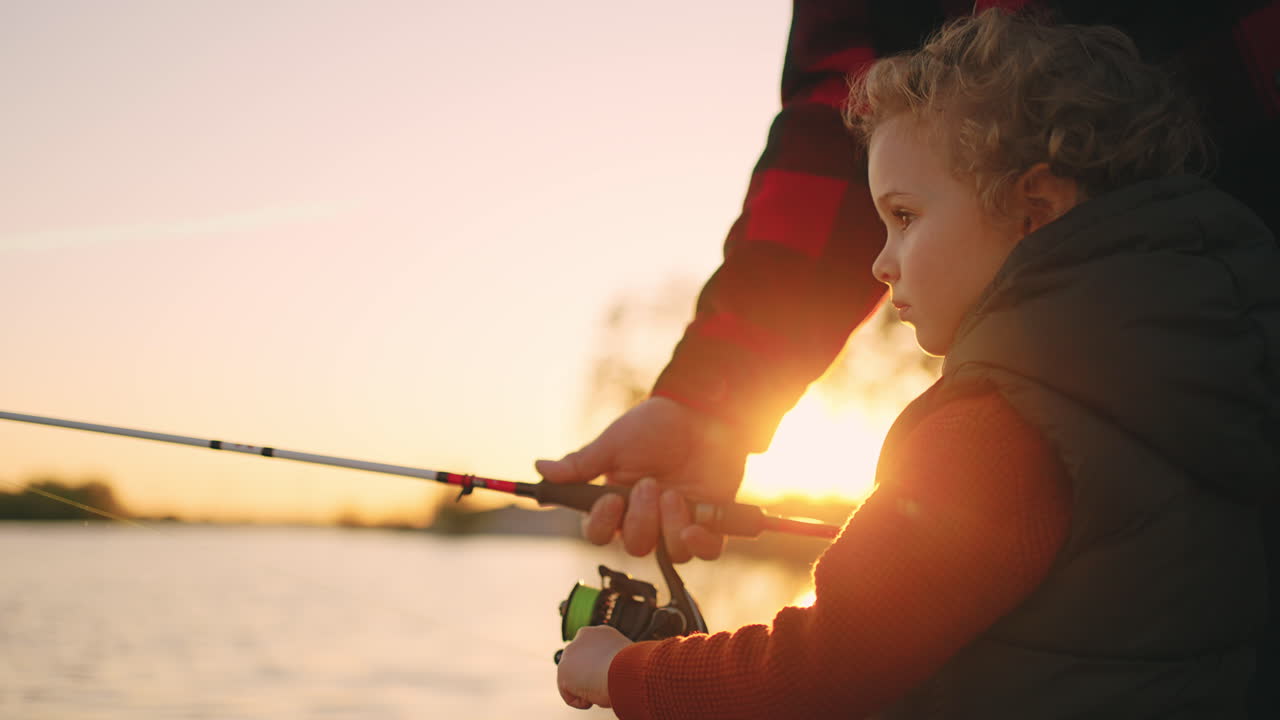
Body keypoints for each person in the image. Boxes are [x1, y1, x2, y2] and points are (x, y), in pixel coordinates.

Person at [551, 8, 1278, 718]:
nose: (879, 264)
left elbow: (809, 675)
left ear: (1035, 208)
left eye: (904, 217)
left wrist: (620, 671)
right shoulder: (1220, 393)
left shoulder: (997, 433)